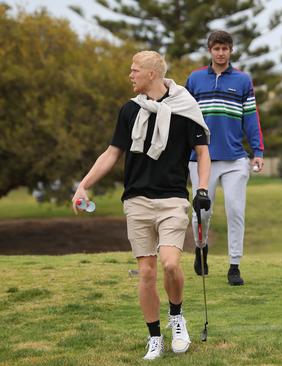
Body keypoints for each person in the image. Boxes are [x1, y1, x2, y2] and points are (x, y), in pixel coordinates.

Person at [71, 50, 212, 359]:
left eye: (135, 70)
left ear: (152, 74)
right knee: (146, 273)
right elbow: (111, 153)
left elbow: (202, 152)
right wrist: (83, 185)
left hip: (173, 199)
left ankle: (176, 317)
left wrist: (202, 188)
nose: (130, 75)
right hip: (136, 201)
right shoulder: (129, 110)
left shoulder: (186, 108)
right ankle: (153, 337)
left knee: (171, 263)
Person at [185, 30, 264, 286]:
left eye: (225, 49)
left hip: (234, 160)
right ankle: (201, 248)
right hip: (200, 158)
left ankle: (234, 266)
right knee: (201, 214)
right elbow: (183, 118)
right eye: (216, 48)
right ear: (210, 50)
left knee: (235, 210)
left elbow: (251, 118)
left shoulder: (242, 81)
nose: (221, 53)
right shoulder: (195, 79)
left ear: (231, 51)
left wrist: (258, 151)